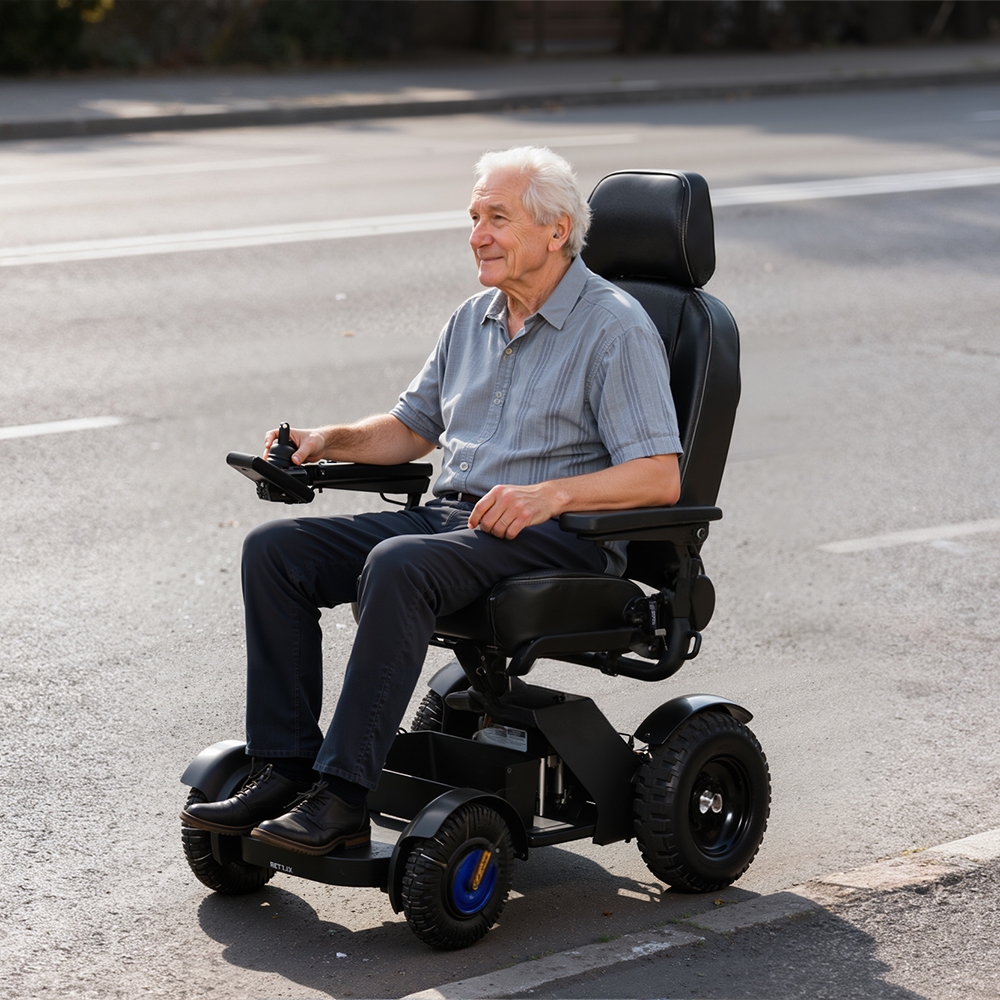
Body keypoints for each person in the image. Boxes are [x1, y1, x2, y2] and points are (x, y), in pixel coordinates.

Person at [181, 146, 683, 856]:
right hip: (457, 523)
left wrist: (548, 496)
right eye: (474, 217)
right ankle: (286, 766)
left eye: (497, 218)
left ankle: (345, 797)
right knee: (277, 551)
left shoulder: (615, 327)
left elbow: (661, 477)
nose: (477, 233)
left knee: (400, 564)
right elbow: (412, 429)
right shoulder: (474, 317)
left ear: (556, 230)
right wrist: (328, 439)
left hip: (558, 538)